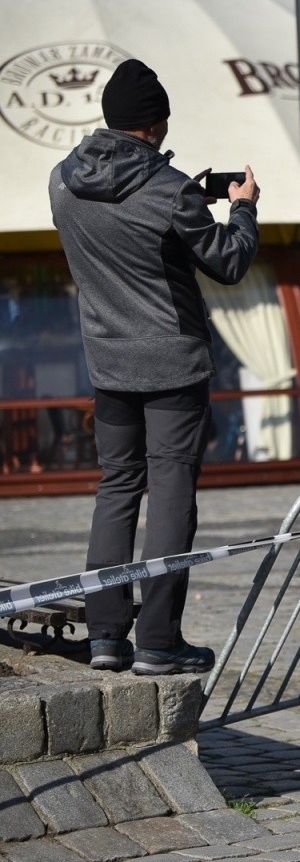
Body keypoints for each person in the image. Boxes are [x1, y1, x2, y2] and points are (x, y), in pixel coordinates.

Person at [50, 59, 261, 675]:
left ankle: (106, 637)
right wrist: (241, 208)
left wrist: (183, 198)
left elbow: (117, 241)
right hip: (172, 366)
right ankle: (159, 643)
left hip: (108, 364)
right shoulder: (171, 191)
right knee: (171, 496)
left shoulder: (62, 180)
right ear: (157, 125)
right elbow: (228, 263)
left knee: (116, 490)